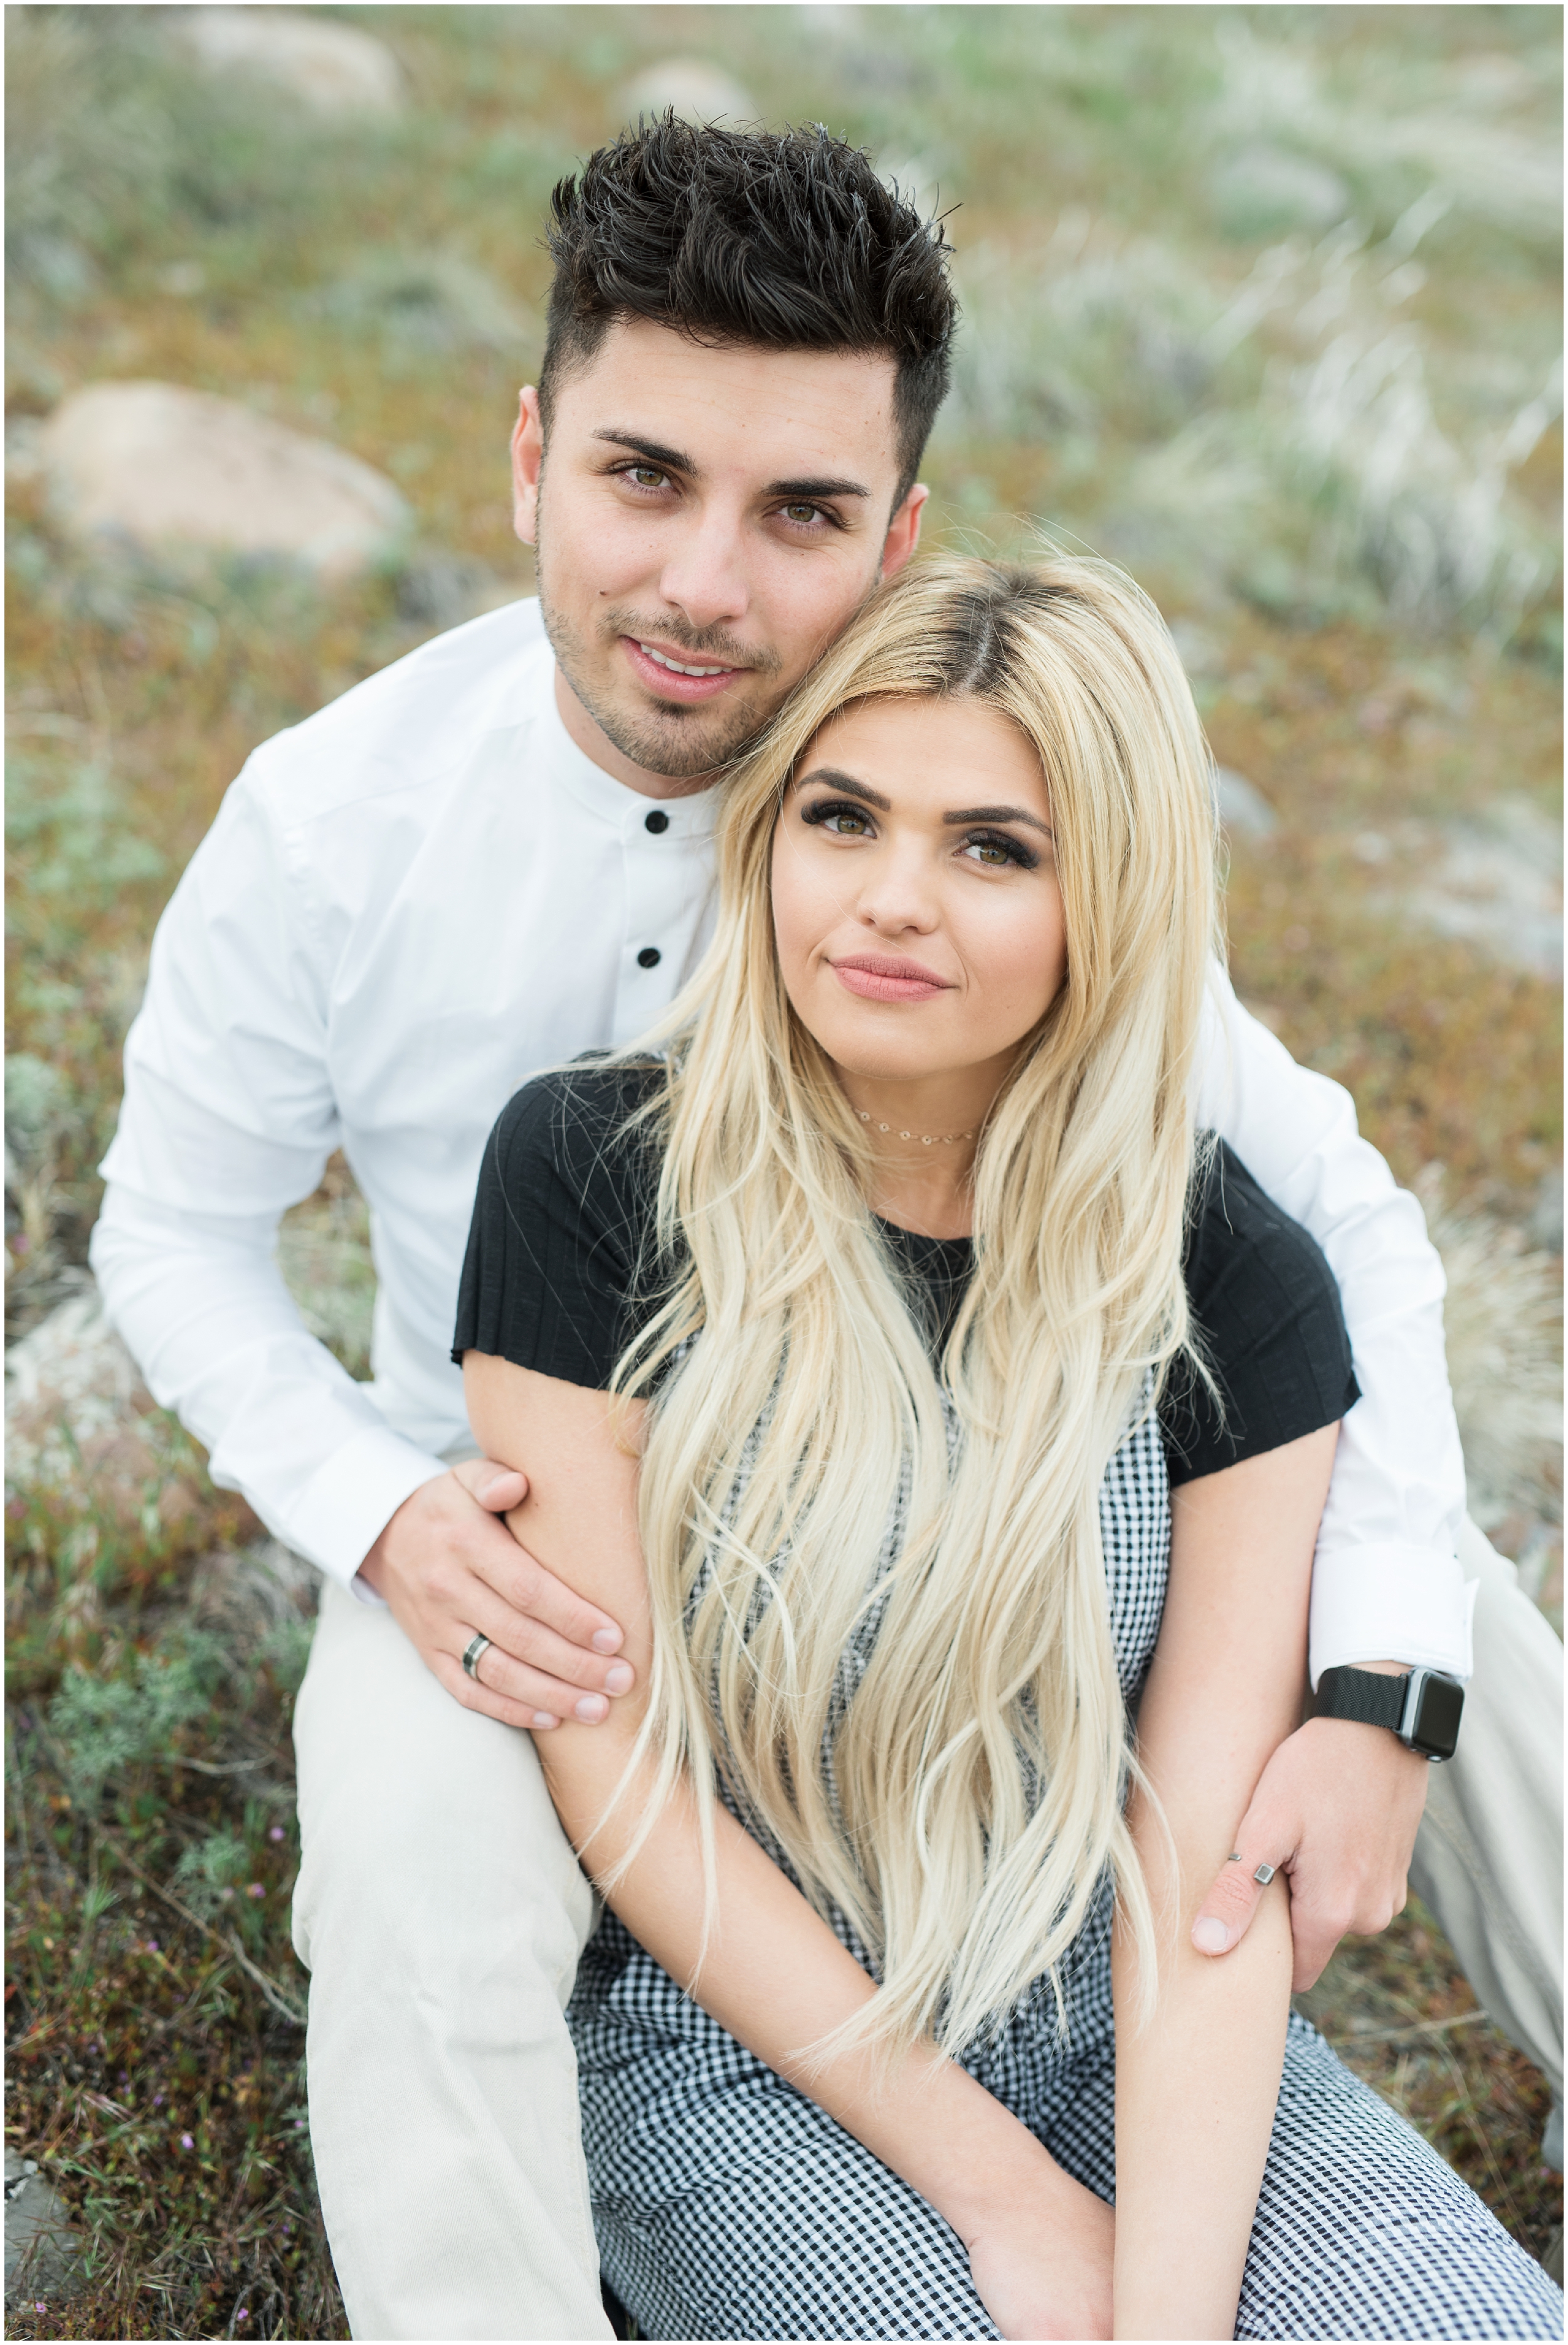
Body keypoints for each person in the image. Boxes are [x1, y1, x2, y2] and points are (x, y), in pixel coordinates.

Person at [87, 122, 1560, 2340]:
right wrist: (381, 1515)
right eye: (642, 478)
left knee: (1446, 1611)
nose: (702, 583)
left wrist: (1379, 1690)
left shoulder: (970, 800)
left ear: (897, 532)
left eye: (799, 514)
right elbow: (172, 1240)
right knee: (409, 1856)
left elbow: (1322, 1224)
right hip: (519, 1525)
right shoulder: (335, 822)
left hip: (986, 1486)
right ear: (528, 455)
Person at [455, 551, 1559, 2342]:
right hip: (735, 2047)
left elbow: (1196, 1870)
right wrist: (1000, 2198)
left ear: (1105, 899)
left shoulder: (1225, 1269)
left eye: (993, 847)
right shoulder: (592, 1175)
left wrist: (1165, 2311)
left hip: (1127, 2030)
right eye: (841, 815)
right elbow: (628, 1778)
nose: (892, 901)